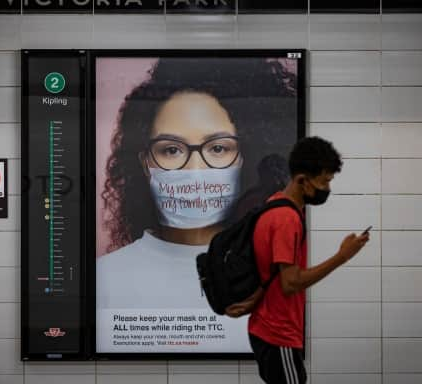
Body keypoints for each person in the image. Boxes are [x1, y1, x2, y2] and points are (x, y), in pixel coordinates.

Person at [94, 56, 300, 353]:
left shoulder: (276, 273)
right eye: (171, 149)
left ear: (247, 156)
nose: (195, 170)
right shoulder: (105, 278)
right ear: (145, 163)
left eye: (218, 148)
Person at [249, 136, 370, 384]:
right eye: (324, 181)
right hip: (277, 333)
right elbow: (290, 282)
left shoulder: (275, 206)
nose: (326, 189)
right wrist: (341, 257)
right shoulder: (286, 218)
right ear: (302, 180)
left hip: (269, 329)